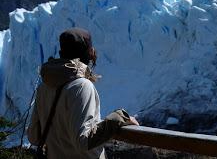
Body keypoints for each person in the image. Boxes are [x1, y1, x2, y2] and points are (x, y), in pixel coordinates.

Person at [27, 27, 139, 159]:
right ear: (90, 52)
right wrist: (119, 117)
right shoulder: (81, 86)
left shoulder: (44, 86)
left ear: (61, 52)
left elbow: (34, 136)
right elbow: (83, 141)